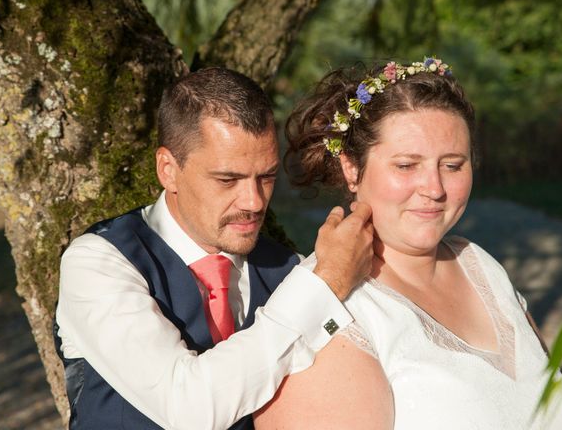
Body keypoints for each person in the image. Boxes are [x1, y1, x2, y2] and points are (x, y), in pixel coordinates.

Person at [255, 59, 562, 429]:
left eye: (453, 165)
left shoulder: (480, 265)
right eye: (407, 165)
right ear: (351, 168)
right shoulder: (337, 311)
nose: (434, 189)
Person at [54, 67, 374, 430]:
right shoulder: (97, 263)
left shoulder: (289, 271)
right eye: (228, 179)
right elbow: (188, 408)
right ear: (168, 169)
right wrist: (326, 284)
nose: (254, 202)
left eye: (266, 177)